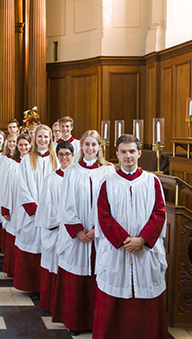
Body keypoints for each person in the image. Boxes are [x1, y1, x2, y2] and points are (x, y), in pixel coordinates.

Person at [93, 134, 168, 339]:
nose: (128, 156)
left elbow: (159, 213)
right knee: (114, 294)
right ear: (116, 154)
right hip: (117, 251)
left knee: (146, 293)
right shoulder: (107, 182)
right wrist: (125, 240)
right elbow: (103, 215)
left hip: (145, 249)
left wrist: (142, 240)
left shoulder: (151, 181)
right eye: (123, 152)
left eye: (132, 151)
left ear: (139, 153)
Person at [54, 130, 113, 334]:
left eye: (94, 145)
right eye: (86, 144)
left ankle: (98, 322)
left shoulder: (108, 171)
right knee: (77, 276)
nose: (90, 148)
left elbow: (111, 205)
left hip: (100, 235)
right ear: (81, 147)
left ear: (99, 147)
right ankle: (76, 322)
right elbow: (65, 203)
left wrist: (98, 228)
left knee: (99, 275)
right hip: (77, 236)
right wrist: (78, 231)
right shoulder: (72, 170)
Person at [14, 124, 58, 294]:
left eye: (46, 137)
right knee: (33, 247)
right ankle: (32, 286)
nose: (42, 140)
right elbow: (22, 187)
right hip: (32, 214)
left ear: (51, 139)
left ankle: (48, 288)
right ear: (33, 139)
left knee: (50, 250)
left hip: (52, 215)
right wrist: (36, 210)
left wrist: (51, 212)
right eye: (39, 136)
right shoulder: (26, 160)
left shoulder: (56, 160)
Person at [35, 140, 75, 313]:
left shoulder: (78, 178)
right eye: (61, 154)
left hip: (75, 233)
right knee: (54, 265)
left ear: (73, 156)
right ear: (56, 156)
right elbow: (45, 207)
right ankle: (53, 304)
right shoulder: (51, 179)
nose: (64, 157)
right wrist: (60, 222)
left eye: (67, 154)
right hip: (57, 230)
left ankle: (67, 306)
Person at [0, 133, 29, 278]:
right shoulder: (11, 164)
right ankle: (14, 270)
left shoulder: (35, 163)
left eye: (26, 145)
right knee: (14, 236)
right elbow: (4, 188)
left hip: (30, 209)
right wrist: (5, 209)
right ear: (16, 146)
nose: (23, 147)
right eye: (20, 144)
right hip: (14, 206)